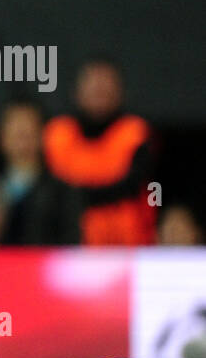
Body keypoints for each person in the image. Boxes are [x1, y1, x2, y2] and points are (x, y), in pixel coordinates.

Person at [43, 59, 156, 245]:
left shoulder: (135, 133)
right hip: (67, 246)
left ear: (120, 92)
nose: (99, 91)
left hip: (129, 247)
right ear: (76, 91)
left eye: (106, 84)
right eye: (93, 84)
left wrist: (79, 194)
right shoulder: (57, 134)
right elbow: (51, 189)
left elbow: (135, 186)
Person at [0, 100, 82, 245]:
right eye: (16, 133)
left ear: (43, 136)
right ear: (1, 137)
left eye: (28, 133)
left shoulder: (63, 193)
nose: (22, 141)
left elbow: (71, 245)